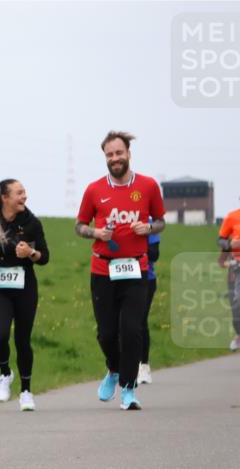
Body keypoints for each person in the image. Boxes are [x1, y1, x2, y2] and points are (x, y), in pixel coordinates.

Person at [75, 131, 166, 410]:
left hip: (136, 268)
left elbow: (161, 221)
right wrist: (96, 232)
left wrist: (148, 227)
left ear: (128, 153)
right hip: (103, 269)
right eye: (109, 155)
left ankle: (128, 389)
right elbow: (79, 226)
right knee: (106, 333)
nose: (115, 158)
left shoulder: (148, 186)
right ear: (105, 157)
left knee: (132, 330)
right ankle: (113, 370)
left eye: (119, 153)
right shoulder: (94, 190)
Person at [0, 179, 50, 411]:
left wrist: (31, 252)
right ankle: (5, 373)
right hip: (0, 288)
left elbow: (45, 257)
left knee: (22, 340)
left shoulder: (32, 223)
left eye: (24, 192)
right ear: (4, 198)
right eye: (19, 193)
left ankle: (26, 391)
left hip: (26, 288)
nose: (24, 197)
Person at [138, 229, 160, 383]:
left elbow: (154, 254)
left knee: (139, 320)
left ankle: (143, 366)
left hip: (145, 278)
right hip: (119, 276)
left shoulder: (149, 222)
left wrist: (134, 243)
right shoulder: (115, 217)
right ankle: (119, 366)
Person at [217, 206, 240, 351]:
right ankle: (239, 334)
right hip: (235, 267)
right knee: (235, 306)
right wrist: (230, 245)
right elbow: (221, 240)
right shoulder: (232, 216)